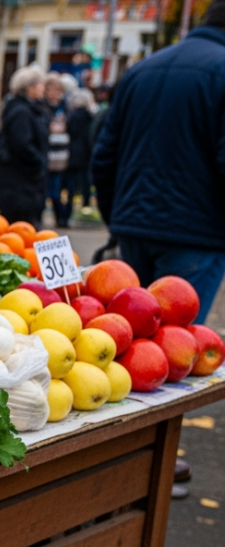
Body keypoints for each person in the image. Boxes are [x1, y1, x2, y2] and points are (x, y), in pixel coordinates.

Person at [92, 0, 225, 497]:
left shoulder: (143, 70)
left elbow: (104, 155)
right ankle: (153, 466)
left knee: (126, 346)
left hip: (135, 226)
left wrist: (117, 218)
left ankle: (122, 457)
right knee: (175, 355)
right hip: (197, 233)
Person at [0, 66, 49, 228]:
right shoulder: (22, 112)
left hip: (21, 184)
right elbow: (22, 144)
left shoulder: (26, 109)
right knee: (21, 230)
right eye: (40, 85)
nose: (43, 88)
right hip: (21, 186)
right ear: (29, 87)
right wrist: (39, 163)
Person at [43, 74, 72, 227]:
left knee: (56, 191)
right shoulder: (43, 107)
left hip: (61, 154)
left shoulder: (64, 107)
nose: (55, 93)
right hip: (47, 153)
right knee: (45, 190)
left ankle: (61, 217)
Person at [64, 89, 96, 216]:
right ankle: (85, 204)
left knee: (71, 182)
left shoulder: (71, 116)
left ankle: (68, 207)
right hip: (86, 152)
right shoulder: (90, 116)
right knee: (84, 180)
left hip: (72, 151)